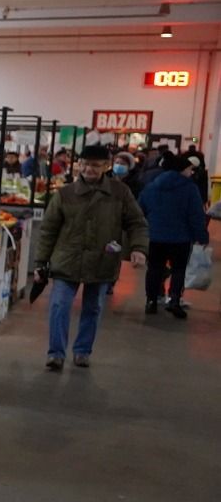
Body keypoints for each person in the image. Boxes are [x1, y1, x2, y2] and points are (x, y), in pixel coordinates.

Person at [34, 144, 148, 370]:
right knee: (59, 305)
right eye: (85, 164)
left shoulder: (120, 193)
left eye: (95, 165)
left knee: (93, 307)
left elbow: (137, 223)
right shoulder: (64, 194)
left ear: (106, 166)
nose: (89, 169)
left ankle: (82, 351)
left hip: (101, 259)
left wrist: (138, 248)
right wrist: (40, 262)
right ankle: (56, 353)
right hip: (67, 259)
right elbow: (48, 230)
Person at [138, 154, 209, 318]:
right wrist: (202, 236)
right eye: (189, 169)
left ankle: (151, 300)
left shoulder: (152, 186)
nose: (191, 172)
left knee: (154, 269)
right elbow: (196, 215)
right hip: (181, 238)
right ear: (182, 169)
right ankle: (175, 300)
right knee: (178, 270)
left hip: (155, 236)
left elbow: (140, 209)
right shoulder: (190, 189)